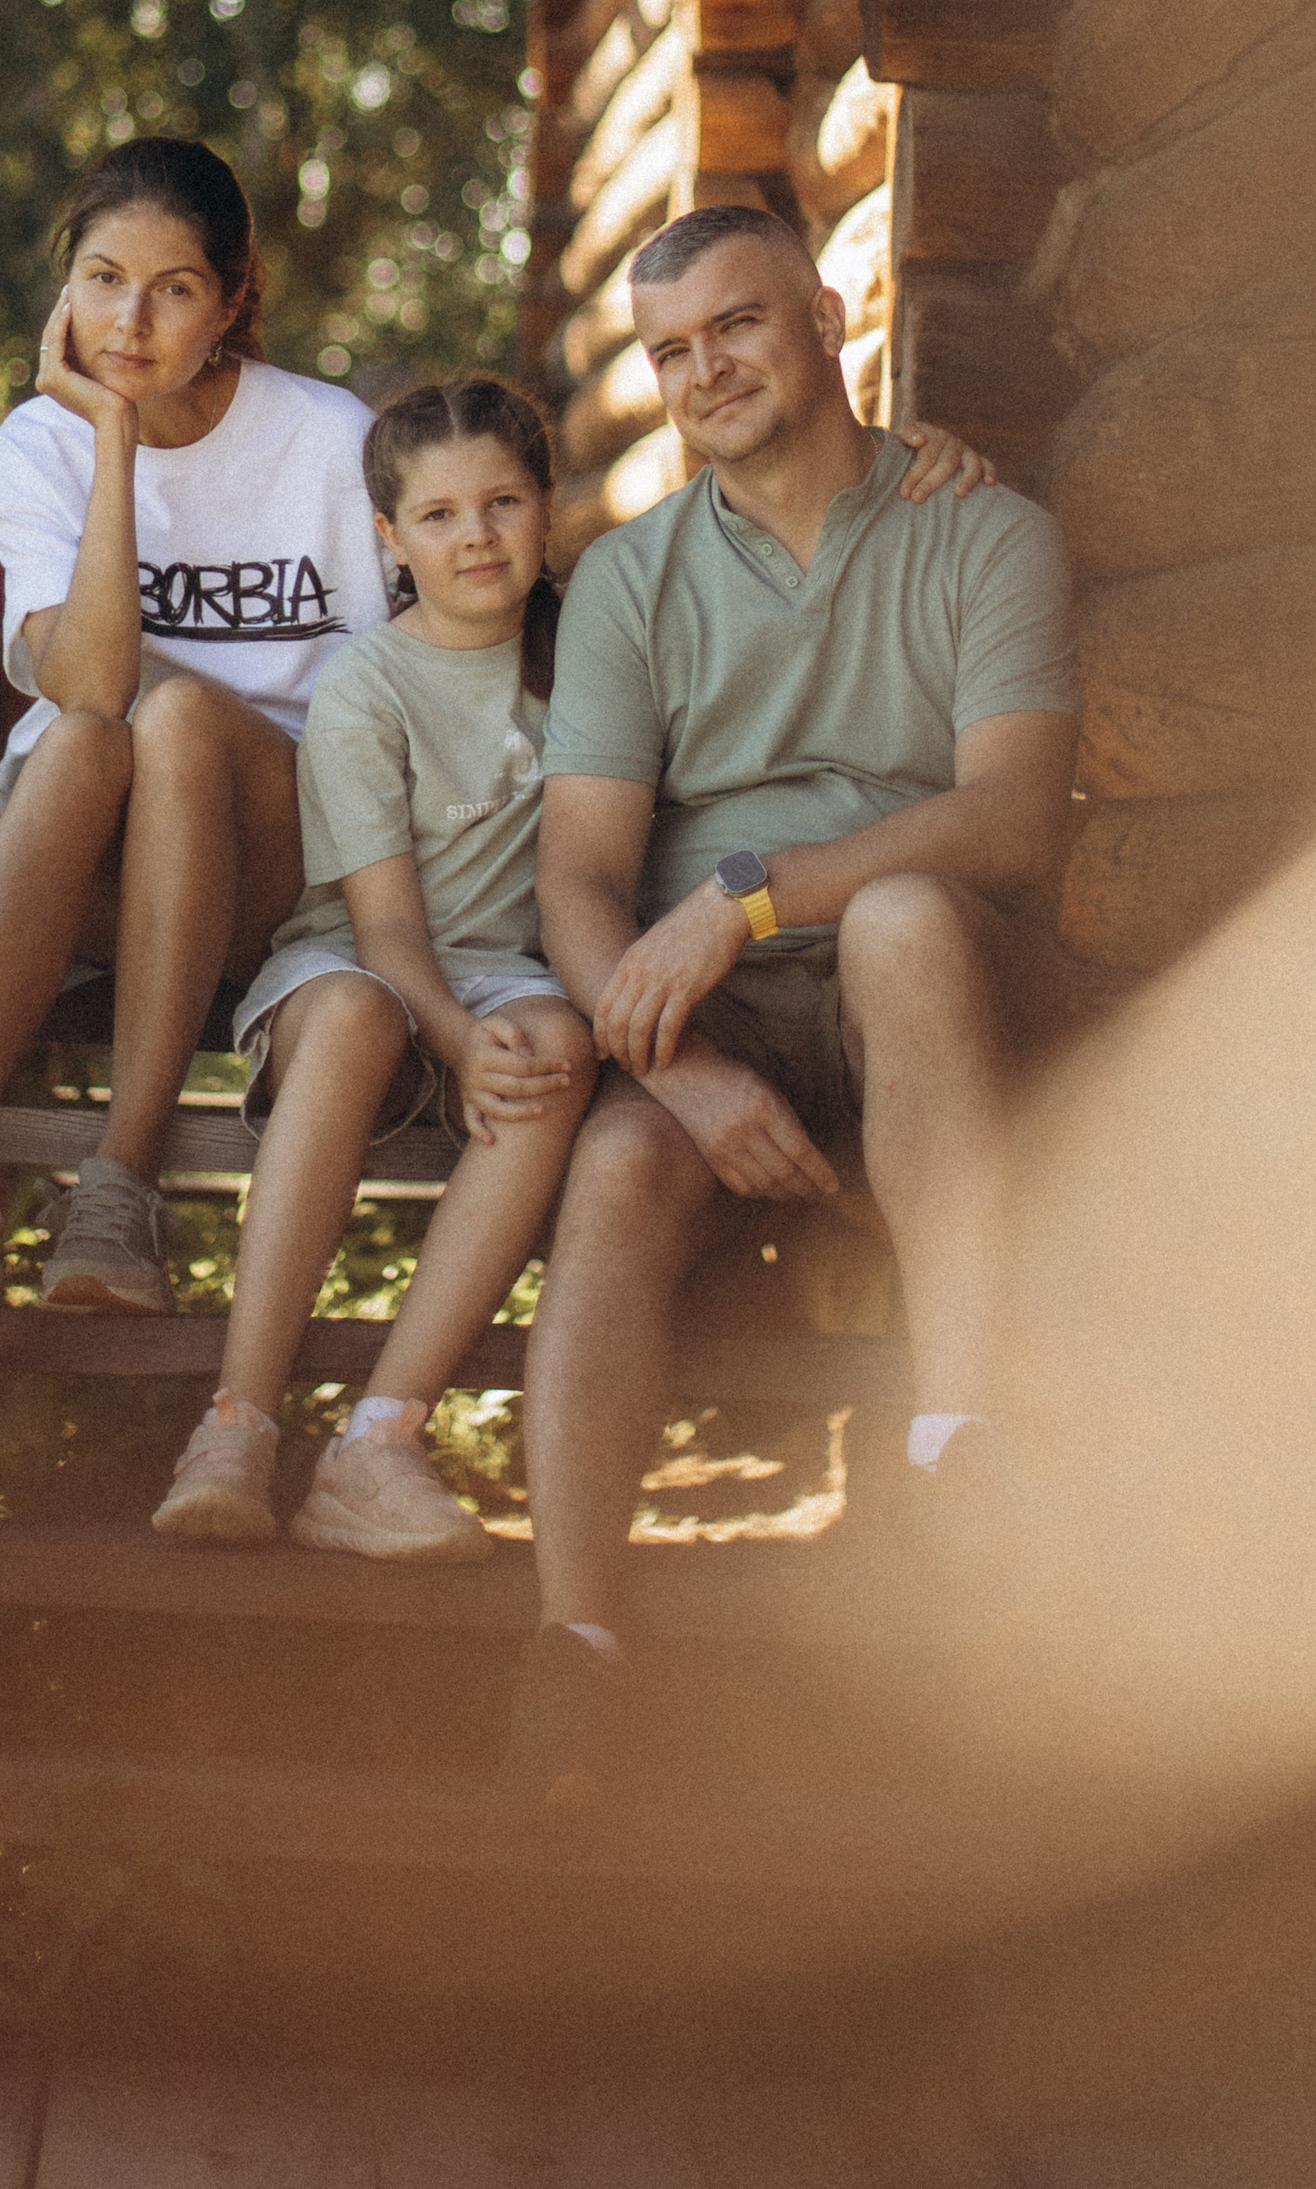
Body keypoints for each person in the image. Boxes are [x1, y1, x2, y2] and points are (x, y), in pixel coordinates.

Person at [511, 200, 1077, 1807]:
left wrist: (751, 892)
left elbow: (1012, 822)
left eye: (737, 325)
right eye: (669, 352)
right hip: (717, 1012)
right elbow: (577, 881)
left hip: (928, 991)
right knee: (619, 1167)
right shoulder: (630, 581)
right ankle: (575, 1648)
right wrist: (683, 1078)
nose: (703, 372)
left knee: (901, 915)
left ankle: (958, 1463)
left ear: (827, 318)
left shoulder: (984, 535)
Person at [0, 137, 388, 1345]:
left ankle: (121, 1188)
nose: (128, 323)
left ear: (232, 303)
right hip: (91, 865)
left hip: (279, 862)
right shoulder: (38, 446)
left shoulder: (327, 440)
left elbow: (393, 697)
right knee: (89, 742)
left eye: (173, 289)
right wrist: (108, 441)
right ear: (66, 288)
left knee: (178, 716)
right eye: (102, 279)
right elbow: (86, 688)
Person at [150, 375, 595, 1563]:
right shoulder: (368, 681)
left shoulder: (588, 657)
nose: (476, 536)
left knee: (558, 1049)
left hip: (507, 971)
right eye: (439, 516)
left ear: (546, 507)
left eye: (502, 503)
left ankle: (378, 1443)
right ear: (391, 540)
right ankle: (237, 1424)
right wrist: (451, 1035)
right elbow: (387, 926)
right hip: (357, 957)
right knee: (356, 1013)